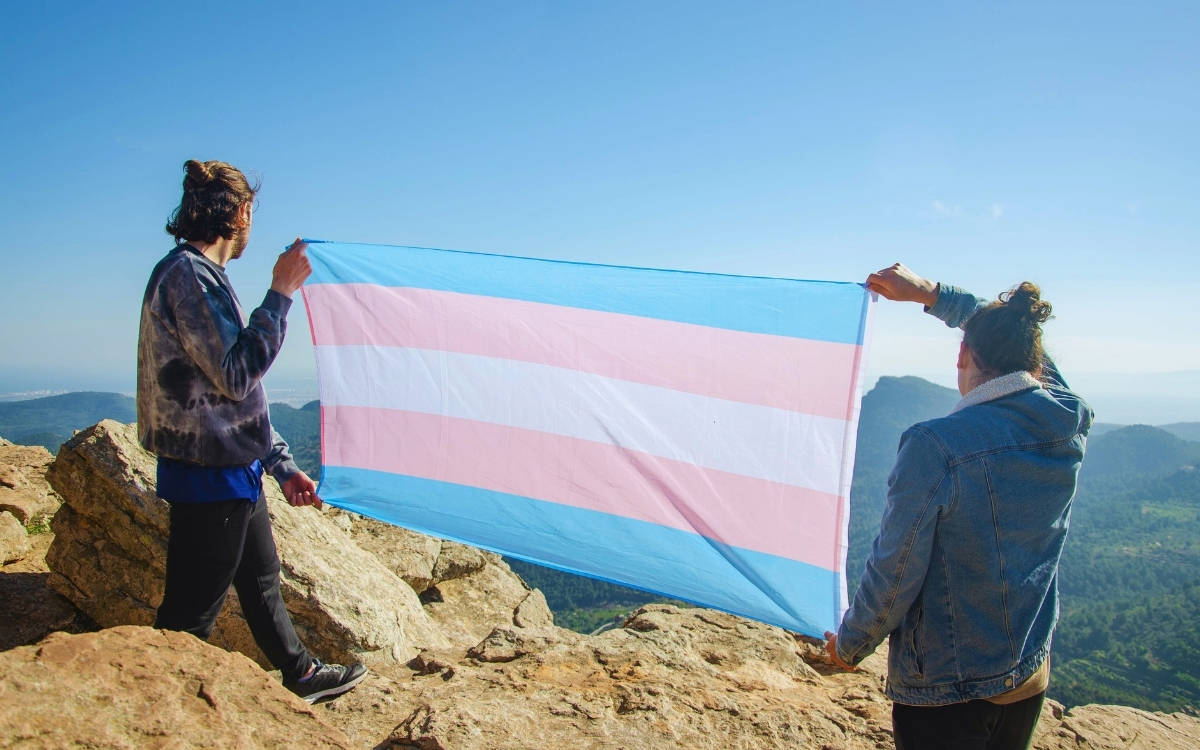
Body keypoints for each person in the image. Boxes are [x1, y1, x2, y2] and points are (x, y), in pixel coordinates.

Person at [823, 263, 1093, 750]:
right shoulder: (1068, 416)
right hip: (1027, 673)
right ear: (1035, 360)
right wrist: (934, 295)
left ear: (963, 353)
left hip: (947, 689)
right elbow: (1020, 346)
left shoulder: (936, 445)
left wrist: (849, 647)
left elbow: (895, 569)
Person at [136, 159, 366, 703]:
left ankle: (301, 673)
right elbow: (239, 375)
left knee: (262, 578)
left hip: (232, 469)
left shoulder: (198, 275)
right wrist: (281, 291)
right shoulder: (188, 277)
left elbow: (233, 399)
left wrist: (279, 464)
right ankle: (155, 710)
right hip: (209, 477)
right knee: (188, 619)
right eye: (252, 214)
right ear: (240, 213)